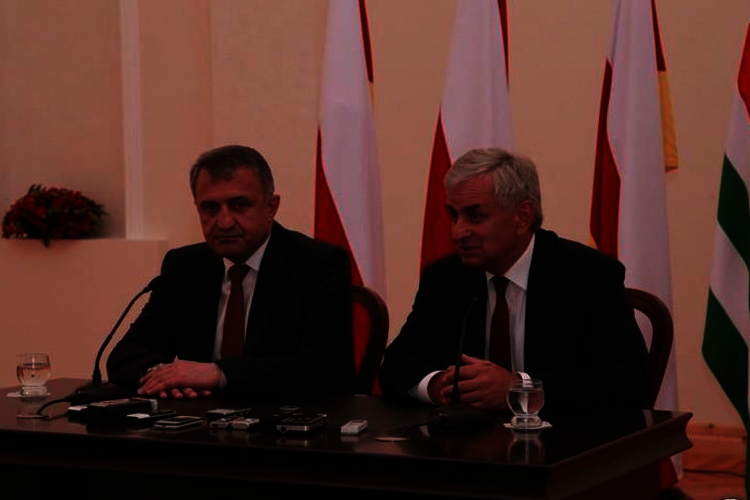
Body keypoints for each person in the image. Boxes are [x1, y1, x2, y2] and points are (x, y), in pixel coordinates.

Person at [379, 148, 648, 411]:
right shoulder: (446, 277)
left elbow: (626, 378)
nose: (458, 232)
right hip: (469, 438)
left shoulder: (587, 274)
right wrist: (439, 385)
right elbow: (396, 364)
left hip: (565, 435)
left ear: (522, 217)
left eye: (475, 216)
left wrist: (520, 387)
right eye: (454, 216)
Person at [107, 145, 354, 398]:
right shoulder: (183, 266)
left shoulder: (317, 263)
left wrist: (219, 374)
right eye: (210, 208)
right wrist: (162, 376)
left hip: (280, 415)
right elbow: (127, 354)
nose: (224, 222)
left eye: (239, 205)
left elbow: (327, 366)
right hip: (198, 416)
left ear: (271, 206)